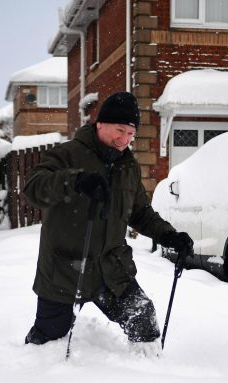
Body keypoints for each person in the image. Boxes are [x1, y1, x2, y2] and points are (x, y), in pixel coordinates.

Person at [23, 91, 194, 355]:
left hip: (111, 269)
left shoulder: (128, 167)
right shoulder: (67, 154)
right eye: (120, 130)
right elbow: (33, 188)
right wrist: (75, 181)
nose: (125, 140)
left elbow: (140, 212)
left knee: (143, 320)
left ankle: (152, 380)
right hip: (65, 269)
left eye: (131, 134)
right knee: (48, 340)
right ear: (100, 123)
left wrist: (170, 237)